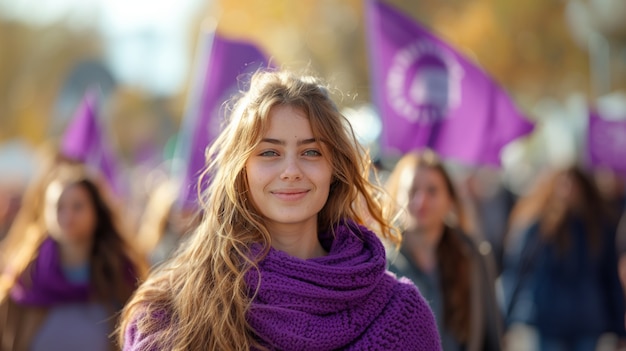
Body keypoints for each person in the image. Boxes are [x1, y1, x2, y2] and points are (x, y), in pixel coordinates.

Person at [119, 70, 441, 351]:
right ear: (241, 169)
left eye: (311, 151)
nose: (290, 170)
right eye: (270, 152)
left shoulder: (400, 314)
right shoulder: (169, 312)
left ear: (335, 168)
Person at [0, 161, 147, 351]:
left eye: (77, 206)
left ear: (97, 212)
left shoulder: (122, 276)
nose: (67, 215)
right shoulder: (24, 278)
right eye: (58, 207)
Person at [385, 150, 503, 351]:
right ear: (396, 196)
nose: (421, 201)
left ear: (450, 199)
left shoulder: (473, 256)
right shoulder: (380, 262)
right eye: (412, 191)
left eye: (432, 191)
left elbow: (491, 332)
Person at [501, 166, 625, 351]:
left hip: (587, 320)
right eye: (564, 185)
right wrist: (506, 318)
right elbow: (518, 272)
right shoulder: (538, 228)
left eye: (574, 186)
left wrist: (618, 327)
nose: (568, 191)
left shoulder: (598, 228)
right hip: (549, 319)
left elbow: (610, 278)